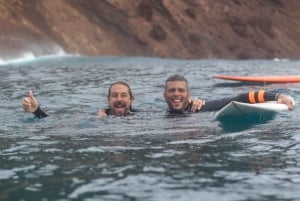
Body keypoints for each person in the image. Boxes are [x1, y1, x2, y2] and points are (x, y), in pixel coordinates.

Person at [164, 74, 295, 113]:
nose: (176, 94)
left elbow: (241, 98)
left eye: (181, 90)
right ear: (164, 95)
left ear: (188, 95)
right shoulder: (153, 114)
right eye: (171, 90)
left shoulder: (199, 109)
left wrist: (278, 96)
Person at [22, 81, 136, 118]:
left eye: (124, 95)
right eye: (115, 95)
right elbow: (56, 122)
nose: (119, 99)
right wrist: (37, 110)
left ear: (131, 99)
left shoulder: (143, 117)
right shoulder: (96, 117)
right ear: (108, 100)